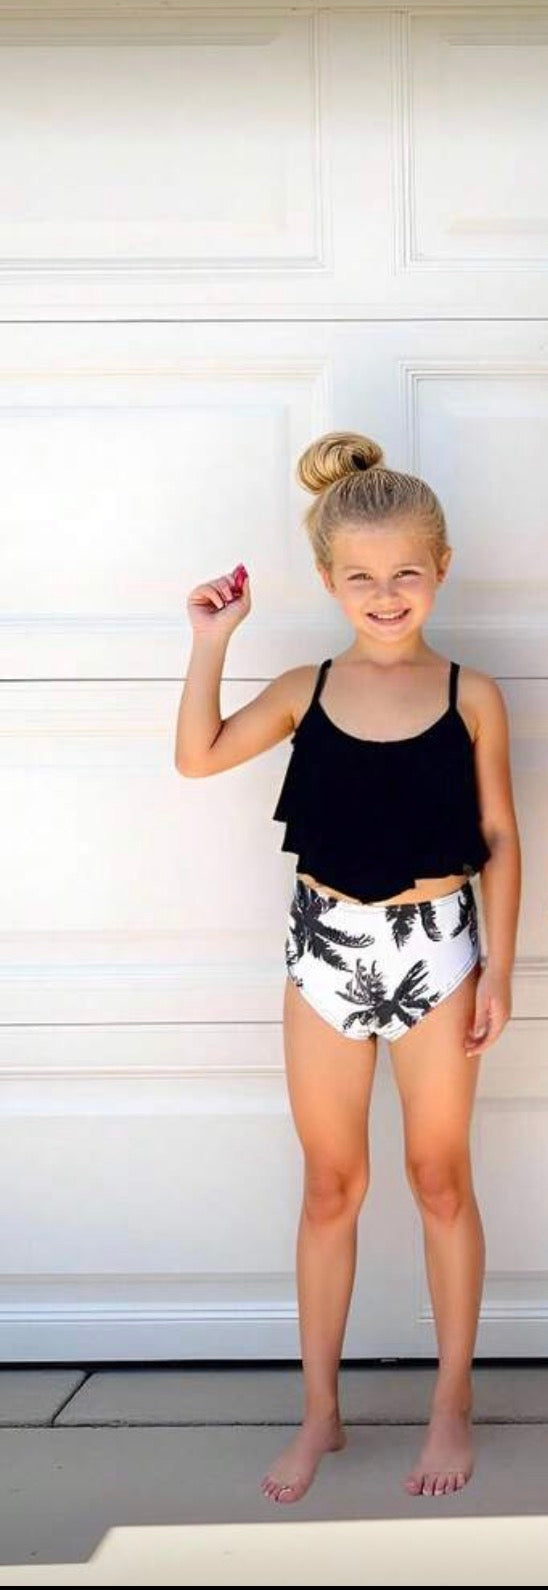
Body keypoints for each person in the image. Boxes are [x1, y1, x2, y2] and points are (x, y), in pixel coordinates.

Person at [175, 430, 521, 1502]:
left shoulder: (470, 693)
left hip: (437, 953)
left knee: (438, 1178)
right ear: (328, 581)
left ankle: (450, 1402)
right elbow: (197, 755)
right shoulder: (304, 687)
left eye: (405, 573)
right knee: (330, 1187)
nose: (385, 596)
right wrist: (211, 640)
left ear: (441, 569)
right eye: (360, 578)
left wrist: (500, 971)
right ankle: (319, 1410)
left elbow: (500, 838)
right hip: (323, 953)